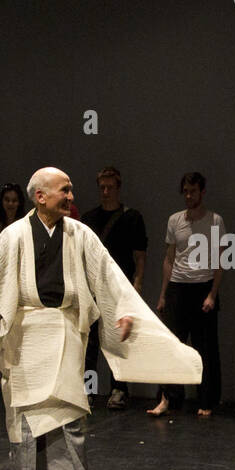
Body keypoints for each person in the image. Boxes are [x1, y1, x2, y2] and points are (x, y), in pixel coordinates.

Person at [0, 167, 201, 470]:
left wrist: (123, 308)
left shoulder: (80, 234)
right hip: (25, 332)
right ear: (41, 197)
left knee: (67, 410)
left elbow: (107, 272)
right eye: (65, 190)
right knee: (25, 415)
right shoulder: (15, 235)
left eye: (72, 190)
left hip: (64, 328)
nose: (72, 196)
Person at [147, 172, 224, 418]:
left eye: (193, 191)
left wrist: (212, 294)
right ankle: (168, 398)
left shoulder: (215, 221)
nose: (189, 196)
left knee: (204, 349)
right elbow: (169, 259)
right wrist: (163, 294)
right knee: (171, 346)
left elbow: (220, 261)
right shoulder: (175, 220)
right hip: (178, 289)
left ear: (202, 192)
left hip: (203, 288)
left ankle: (206, 400)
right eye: (186, 191)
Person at [81, 166, 148, 409]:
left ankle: (119, 389)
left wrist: (137, 285)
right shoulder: (88, 219)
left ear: (118, 188)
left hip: (120, 288)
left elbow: (140, 256)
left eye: (110, 187)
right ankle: (88, 390)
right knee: (89, 344)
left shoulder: (132, 218)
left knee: (117, 340)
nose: (106, 192)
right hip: (92, 286)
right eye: (102, 187)